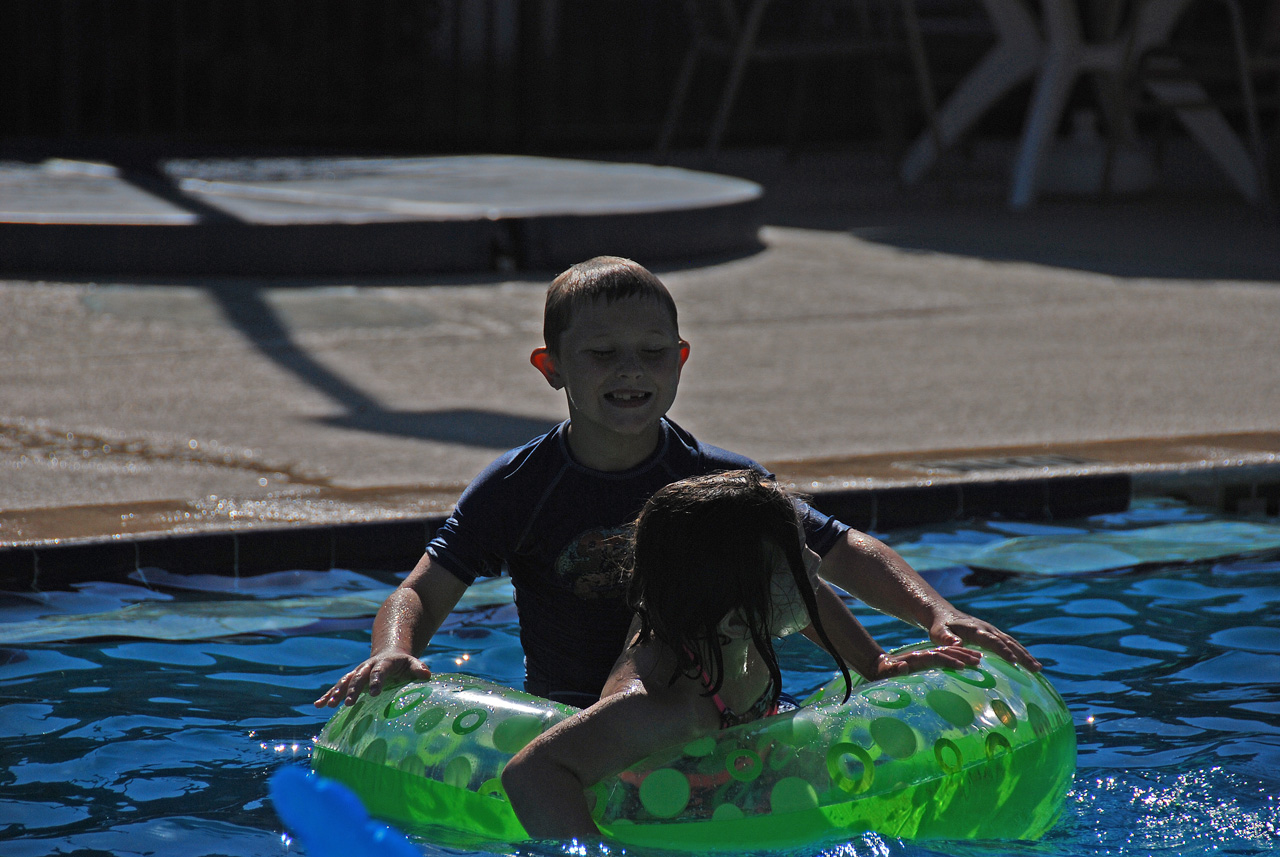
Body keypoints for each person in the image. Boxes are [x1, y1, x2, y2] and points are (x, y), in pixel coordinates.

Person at [315, 256, 1038, 710]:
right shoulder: (519, 487)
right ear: (552, 368)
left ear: (682, 358)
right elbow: (422, 588)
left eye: (653, 352)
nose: (632, 371)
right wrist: (393, 648)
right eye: (602, 353)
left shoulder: (715, 478)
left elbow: (836, 551)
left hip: (720, 719)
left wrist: (935, 615)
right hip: (577, 721)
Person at [502, 471, 981, 840]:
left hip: (736, 746)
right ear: (737, 620)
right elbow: (531, 774)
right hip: (665, 806)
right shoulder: (662, 709)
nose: (816, 562)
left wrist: (873, 663)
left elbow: (802, 590)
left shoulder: (734, 622)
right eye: (796, 560)